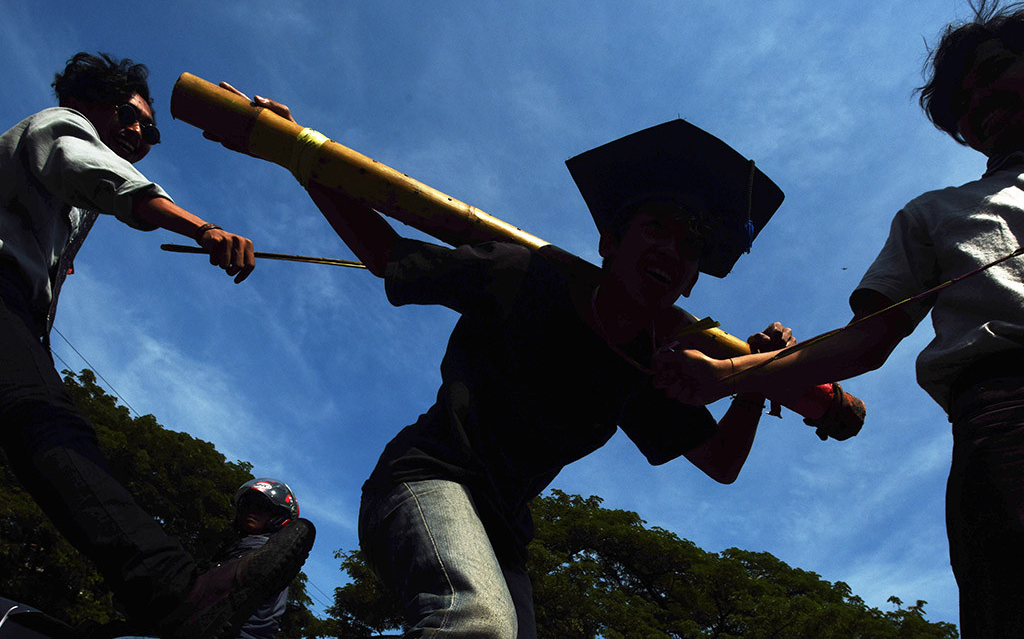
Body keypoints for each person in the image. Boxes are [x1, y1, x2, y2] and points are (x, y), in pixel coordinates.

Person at [217, 88, 859, 637]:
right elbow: (388, 254)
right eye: (657, 227)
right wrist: (297, 151)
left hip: (503, 532)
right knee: (476, 623)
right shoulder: (526, 275)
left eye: (690, 246)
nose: (673, 248)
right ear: (610, 242)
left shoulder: (647, 365)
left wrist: (757, 376)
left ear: (691, 280)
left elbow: (719, 462)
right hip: (424, 480)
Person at [656, 0, 1024, 637]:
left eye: (995, 72)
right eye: (963, 105)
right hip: (1009, 415)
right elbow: (867, 339)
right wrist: (732, 375)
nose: (979, 103)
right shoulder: (937, 214)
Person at [0, 52, 314, 639]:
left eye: (151, 130)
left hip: (20, 308)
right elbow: (111, 182)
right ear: (86, 101)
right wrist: (204, 228)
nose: (140, 133)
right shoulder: (60, 127)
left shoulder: (60, 203)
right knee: (47, 423)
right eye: (129, 115)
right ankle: (173, 590)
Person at [214, 479, 305, 639]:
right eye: (247, 505)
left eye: (262, 506)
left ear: (279, 516)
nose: (252, 511)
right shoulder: (235, 549)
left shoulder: (266, 554)